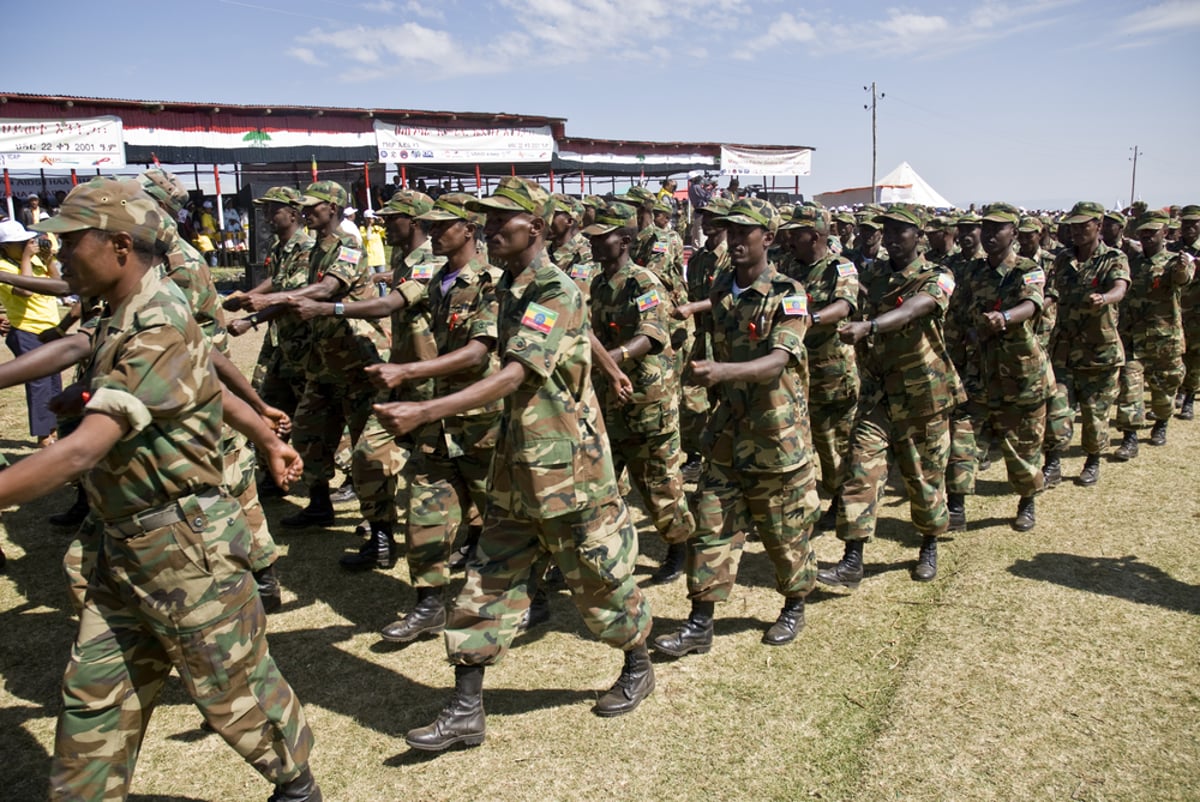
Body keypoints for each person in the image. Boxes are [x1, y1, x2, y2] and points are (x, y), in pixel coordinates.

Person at [11, 177, 321, 802]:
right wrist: (264, 432)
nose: (58, 255)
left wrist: (264, 431)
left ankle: (297, 787)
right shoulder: (123, 308)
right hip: (122, 544)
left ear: (120, 245)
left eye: (70, 243)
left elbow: (81, 450)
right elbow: (202, 380)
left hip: (183, 550)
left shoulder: (156, 321)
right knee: (93, 700)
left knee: (232, 689)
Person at [373, 177, 655, 751]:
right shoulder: (509, 285)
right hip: (515, 464)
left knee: (599, 584)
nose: (488, 229)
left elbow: (517, 372)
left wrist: (426, 407)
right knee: (485, 581)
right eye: (485, 219)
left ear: (536, 227)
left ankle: (638, 661)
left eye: (502, 220)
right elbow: (578, 337)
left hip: (567, 471)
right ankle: (465, 708)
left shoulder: (554, 288)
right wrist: (604, 363)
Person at [653, 196, 820, 656]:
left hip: (775, 435)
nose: (734, 239)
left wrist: (721, 373)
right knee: (710, 525)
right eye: (730, 230)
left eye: (744, 232)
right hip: (728, 429)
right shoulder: (725, 287)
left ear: (768, 238)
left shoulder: (790, 293)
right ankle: (699, 621)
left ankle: (794, 604)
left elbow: (778, 360)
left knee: (784, 531)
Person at [364, 192, 503, 643]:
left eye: (444, 225)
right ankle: (428, 605)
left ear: (469, 229)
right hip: (437, 423)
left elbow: (479, 351)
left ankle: (531, 595)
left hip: (481, 421)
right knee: (425, 510)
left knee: (505, 515)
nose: (435, 232)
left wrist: (409, 370)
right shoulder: (435, 280)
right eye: (431, 224)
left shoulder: (493, 282)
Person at [820, 204, 964, 588]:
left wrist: (870, 326)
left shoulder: (938, 275)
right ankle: (852, 558)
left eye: (903, 231)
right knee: (859, 469)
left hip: (924, 395)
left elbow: (919, 308)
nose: (894, 238)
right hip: (879, 395)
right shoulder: (875, 275)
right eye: (889, 230)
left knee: (924, 478)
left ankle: (929, 544)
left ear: (920, 236)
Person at [586, 199, 695, 574]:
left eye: (604, 237)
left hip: (648, 400)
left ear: (627, 241)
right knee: (598, 482)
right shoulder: (599, 284)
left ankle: (680, 546)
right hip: (608, 399)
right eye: (593, 237)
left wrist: (607, 360)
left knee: (658, 484)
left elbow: (650, 335)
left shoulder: (644, 282)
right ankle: (604, 552)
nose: (595, 243)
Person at [955, 203, 1054, 530]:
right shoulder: (973, 271)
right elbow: (957, 311)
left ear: (1014, 232)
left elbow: (1032, 303)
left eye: (998, 228)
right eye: (987, 227)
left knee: (1022, 446)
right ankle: (955, 506)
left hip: (1019, 374)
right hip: (978, 371)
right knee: (961, 438)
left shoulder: (1027, 269)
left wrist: (1004, 318)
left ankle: (1027, 500)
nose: (990, 234)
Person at [778, 203, 860, 531]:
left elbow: (844, 305)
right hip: (792, 372)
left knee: (832, 443)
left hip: (830, 372)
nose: (788, 238)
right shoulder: (786, 265)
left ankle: (841, 499)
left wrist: (811, 319)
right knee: (796, 440)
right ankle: (800, 502)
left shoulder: (841, 268)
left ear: (813, 236)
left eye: (795, 233)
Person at [1045, 201, 1130, 486]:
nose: (1078, 231)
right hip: (1064, 351)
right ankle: (1052, 463)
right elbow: (1052, 291)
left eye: (1084, 225)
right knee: (1057, 410)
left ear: (1099, 224)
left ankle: (1092, 461)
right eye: (1073, 226)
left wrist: (1105, 297)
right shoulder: (1062, 260)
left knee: (1095, 416)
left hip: (1099, 352)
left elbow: (1120, 287)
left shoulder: (1114, 258)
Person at [1114, 210, 1194, 451]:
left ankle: (1161, 423)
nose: (1147, 236)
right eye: (1143, 232)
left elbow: (1183, 279)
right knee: (1130, 388)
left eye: (1152, 232)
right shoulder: (1130, 262)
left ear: (1165, 233)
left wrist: (1182, 268)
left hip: (1164, 340)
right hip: (1133, 338)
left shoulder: (1174, 262)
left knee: (1164, 391)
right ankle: (1130, 438)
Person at [0, 220, 63, 447]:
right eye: (19, 242)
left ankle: (57, 428)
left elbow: (60, 286)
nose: (28, 243)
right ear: (5, 247)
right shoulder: (3, 267)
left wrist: (49, 260)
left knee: (55, 382)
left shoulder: (37, 260)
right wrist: (26, 258)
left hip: (50, 327)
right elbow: (25, 290)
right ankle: (44, 435)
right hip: (26, 329)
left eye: (27, 239)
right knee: (39, 383)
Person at [1171, 205, 1200, 420]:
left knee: (1195, 356)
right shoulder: (1172, 248)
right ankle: (1178, 390)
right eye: (1186, 223)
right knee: (1174, 355)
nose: (1189, 227)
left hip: (1197, 312)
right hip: (1174, 311)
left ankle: (1189, 398)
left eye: (1194, 223)